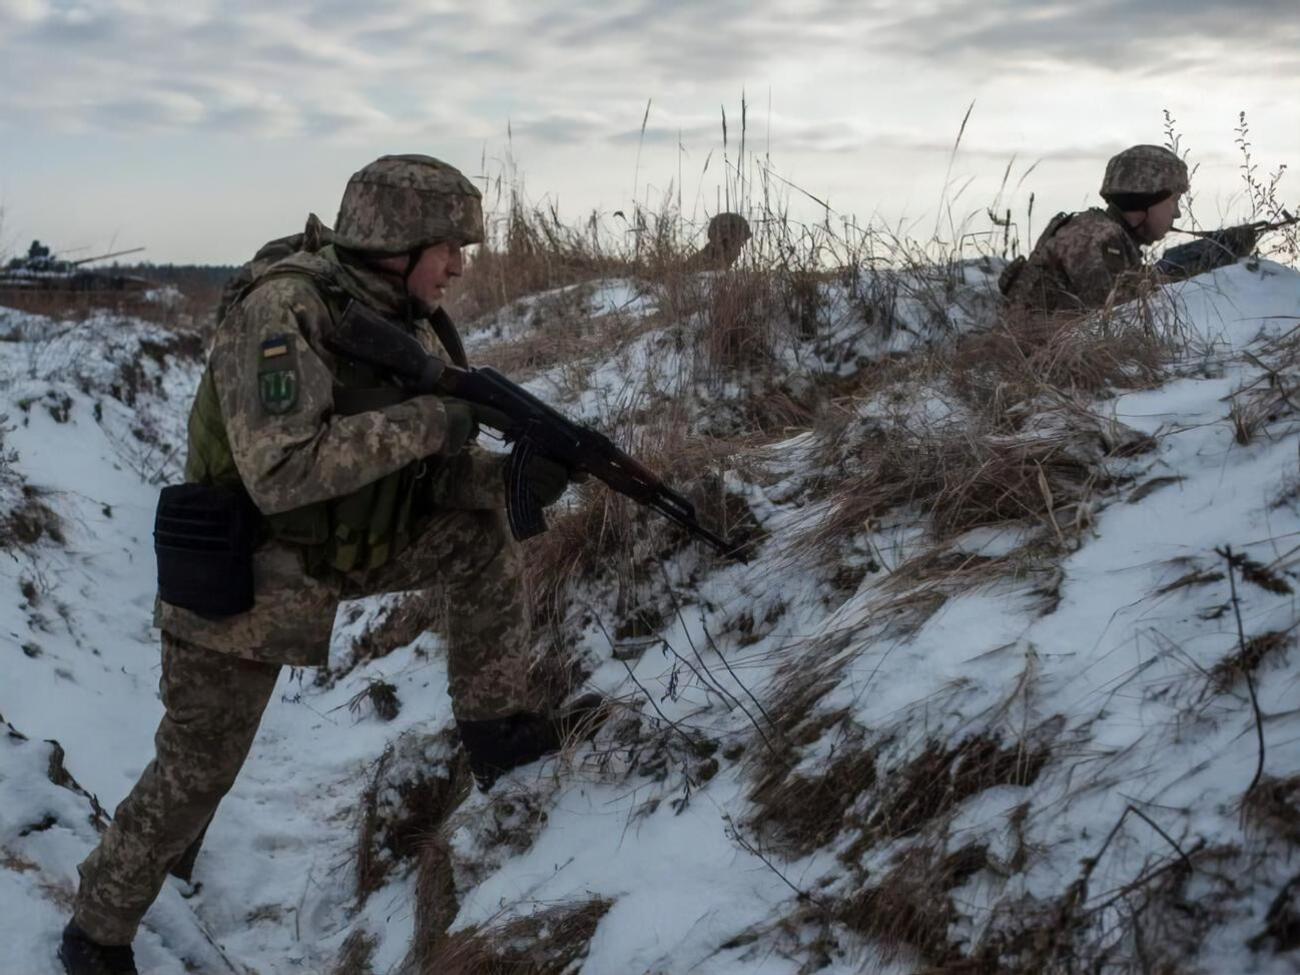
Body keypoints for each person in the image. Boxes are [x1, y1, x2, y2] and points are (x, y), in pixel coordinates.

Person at [60, 154, 590, 975]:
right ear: (400, 240)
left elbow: (426, 468)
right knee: (197, 770)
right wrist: (437, 421)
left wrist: (512, 478)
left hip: (341, 549)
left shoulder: (400, 317)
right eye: (451, 245)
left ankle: (493, 726)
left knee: (479, 536)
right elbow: (284, 473)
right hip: (247, 571)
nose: (461, 264)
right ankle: (96, 929)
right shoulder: (283, 311)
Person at [999, 144, 1256, 314]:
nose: (1177, 213)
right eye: (1174, 201)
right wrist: (1191, 269)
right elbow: (1122, 316)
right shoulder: (1095, 236)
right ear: (1147, 198)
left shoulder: (1100, 233)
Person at [686, 212, 752, 270]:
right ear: (725, 243)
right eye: (739, 245)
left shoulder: (702, 266)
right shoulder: (703, 272)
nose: (739, 253)